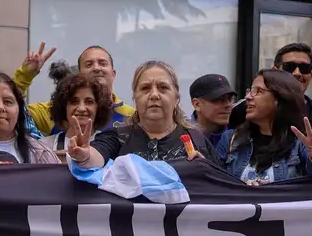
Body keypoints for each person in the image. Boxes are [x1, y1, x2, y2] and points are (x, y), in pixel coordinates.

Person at [67, 60, 217, 168]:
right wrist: (85, 156)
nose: (154, 95)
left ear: (176, 98)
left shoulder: (197, 140)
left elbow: (222, 187)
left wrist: (205, 170)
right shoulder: (117, 137)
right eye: (145, 88)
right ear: (135, 98)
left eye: (163, 87)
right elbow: (96, 156)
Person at [216, 70, 312, 185]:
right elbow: (215, 182)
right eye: (250, 90)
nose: (248, 97)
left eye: (258, 91)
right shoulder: (231, 139)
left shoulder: (300, 143)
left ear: (279, 99)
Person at [15, 44, 134, 135]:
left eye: (102, 63)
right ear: (79, 74)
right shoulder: (56, 111)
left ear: (113, 73)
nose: (96, 68)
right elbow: (12, 113)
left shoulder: (131, 116)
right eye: (89, 64)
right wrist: (25, 75)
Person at [230, 42, 312, 138]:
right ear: (274, 71)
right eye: (289, 67)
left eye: (305, 68)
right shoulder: (244, 108)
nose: (297, 73)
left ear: (311, 75)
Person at [40, 66, 114, 160]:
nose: (82, 108)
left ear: (99, 107)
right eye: (74, 102)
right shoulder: (43, 147)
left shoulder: (111, 146)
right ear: (63, 107)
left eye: (89, 102)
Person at [189, 73, 237, 147]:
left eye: (230, 99)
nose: (228, 105)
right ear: (197, 104)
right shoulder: (180, 136)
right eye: (218, 99)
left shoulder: (240, 135)